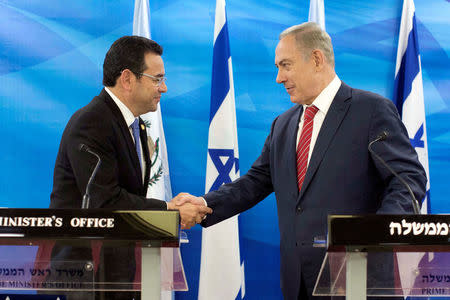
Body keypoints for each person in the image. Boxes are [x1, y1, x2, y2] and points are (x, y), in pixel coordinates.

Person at [176, 22, 427, 300]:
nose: (279, 78)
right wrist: (206, 204)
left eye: (286, 65)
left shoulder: (371, 110)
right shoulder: (283, 124)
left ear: (317, 59)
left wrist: (376, 236)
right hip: (298, 283)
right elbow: (255, 182)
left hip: (359, 276)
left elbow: (408, 179)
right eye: (277, 67)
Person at [48, 36, 211, 299]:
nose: (165, 88)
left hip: (119, 272)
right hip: (85, 276)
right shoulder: (91, 123)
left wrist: (168, 207)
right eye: (157, 79)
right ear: (127, 78)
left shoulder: (135, 125)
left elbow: (128, 194)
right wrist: (168, 209)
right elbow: (104, 200)